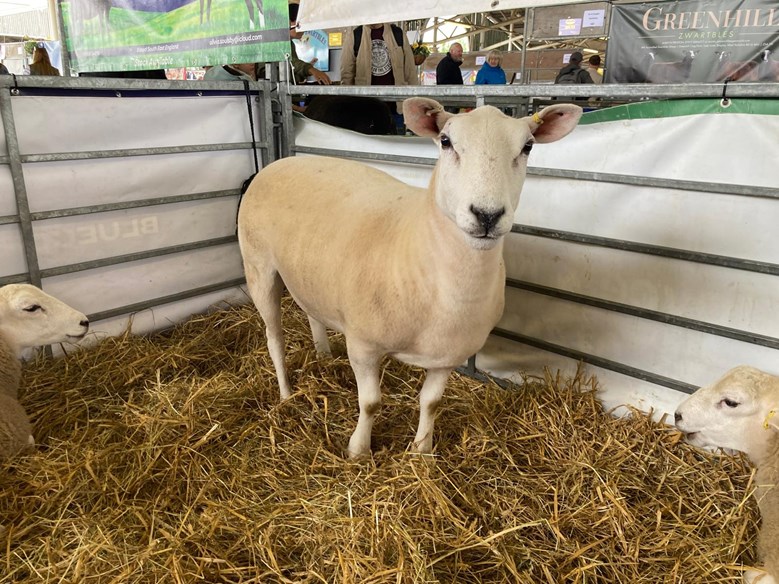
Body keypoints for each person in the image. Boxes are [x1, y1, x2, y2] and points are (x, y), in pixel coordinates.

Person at [339, 22, 417, 88]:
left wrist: (413, 96)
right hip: (366, 101)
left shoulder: (398, 33)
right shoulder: (354, 36)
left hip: (395, 101)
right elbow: (347, 74)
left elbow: (410, 70)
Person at [288, 3, 330, 85]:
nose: (304, 30)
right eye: (301, 25)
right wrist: (310, 69)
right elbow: (290, 63)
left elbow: (290, 71)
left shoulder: (290, 43)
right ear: (290, 22)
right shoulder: (278, 43)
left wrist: (307, 68)